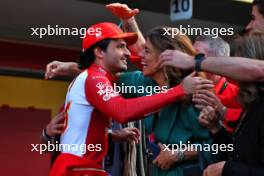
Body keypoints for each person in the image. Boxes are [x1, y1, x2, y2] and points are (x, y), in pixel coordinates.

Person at [48, 22, 207, 176]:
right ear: (99, 52)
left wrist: (111, 135)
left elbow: (221, 145)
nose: (130, 54)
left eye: (147, 51)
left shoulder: (196, 91)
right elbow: (121, 110)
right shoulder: (95, 78)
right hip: (78, 168)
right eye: (120, 47)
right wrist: (177, 92)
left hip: (82, 167)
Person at [197, 31, 264, 176]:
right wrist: (215, 128)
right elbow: (236, 153)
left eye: (237, 64)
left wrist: (226, 169)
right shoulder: (252, 102)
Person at [193, 36, 242, 132]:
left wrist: (222, 111)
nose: (188, 60)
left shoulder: (239, 94)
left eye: (197, 56)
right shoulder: (184, 88)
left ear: (219, 61)